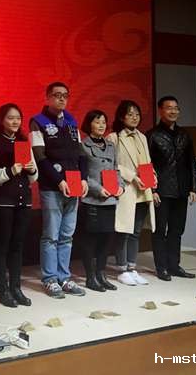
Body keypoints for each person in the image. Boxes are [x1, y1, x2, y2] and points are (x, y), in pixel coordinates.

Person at [30, 82, 88, 298]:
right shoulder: (38, 122)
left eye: (65, 95)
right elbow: (39, 156)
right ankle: (50, 279)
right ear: (47, 97)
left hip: (73, 186)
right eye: (57, 95)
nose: (62, 99)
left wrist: (83, 179)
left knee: (67, 236)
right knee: (51, 236)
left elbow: (81, 154)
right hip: (51, 187)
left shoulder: (71, 121)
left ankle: (64, 277)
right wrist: (58, 181)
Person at [0, 103, 38, 307]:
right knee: (2, 246)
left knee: (18, 246)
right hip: (2, 203)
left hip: (23, 202)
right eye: (10, 118)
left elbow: (34, 177)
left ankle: (16, 288)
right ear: (1, 120)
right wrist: (10, 171)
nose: (15, 122)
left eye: (18, 118)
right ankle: (3, 290)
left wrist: (31, 170)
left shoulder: (24, 142)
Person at [146, 96, 196, 280]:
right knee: (160, 230)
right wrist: (152, 190)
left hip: (182, 189)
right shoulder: (152, 135)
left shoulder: (184, 134)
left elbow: (191, 162)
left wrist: (193, 187)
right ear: (160, 110)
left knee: (177, 230)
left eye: (176, 108)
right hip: (161, 190)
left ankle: (174, 265)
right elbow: (146, 165)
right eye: (169, 108)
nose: (173, 111)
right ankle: (161, 267)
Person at [106, 100, 156, 285]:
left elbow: (146, 161)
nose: (134, 117)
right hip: (126, 188)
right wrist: (132, 176)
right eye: (130, 114)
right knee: (124, 230)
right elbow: (112, 164)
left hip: (143, 189)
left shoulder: (142, 137)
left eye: (137, 114)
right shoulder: (114, 137)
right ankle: (122, 269)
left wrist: (152, 176)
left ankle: (132, 267)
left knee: (135, 231)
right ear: (121, 117)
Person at [79, 110, 123, 292]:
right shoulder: (83, 146)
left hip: (110, 200)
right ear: (89, 124)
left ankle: (101, 274)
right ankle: (90, 277)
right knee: (91, 240)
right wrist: (98, 189)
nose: (101, 125)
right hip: (92, 199)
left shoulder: (111, 145)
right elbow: (82, 174)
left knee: (106, 239)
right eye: (97, 122)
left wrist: (121, 187)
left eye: (104, 122)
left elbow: (116, 169)